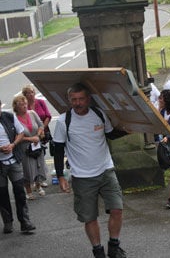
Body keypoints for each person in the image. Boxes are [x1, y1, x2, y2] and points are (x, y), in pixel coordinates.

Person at [53, 83, 127, 258]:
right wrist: (61, 177)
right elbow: (58, 150)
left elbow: (110, 134)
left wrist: (133, 129)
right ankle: (98, 251)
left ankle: (114, 246)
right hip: (82, 176)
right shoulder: (64, 121)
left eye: (81, 99)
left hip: (106, 170)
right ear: (69, 100)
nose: (77, 103)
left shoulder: (99, 114)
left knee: (117, 209)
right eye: (74, 100)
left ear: (88, 99)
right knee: (90, 217)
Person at [0, 99, 36, 234]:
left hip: (13, 160)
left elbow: (21, 133)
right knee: (2, 194)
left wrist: (13, 145)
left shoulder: (8, 116)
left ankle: (25, 222)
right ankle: (8, 222)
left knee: (19, 192)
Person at [13, 95, 48, 200]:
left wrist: (37, 136)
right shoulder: (14, 119)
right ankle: (28, 191)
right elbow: (15, 137)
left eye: (25, 103)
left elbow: (41, 125)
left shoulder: (32, 113)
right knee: (27, 169)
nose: (24, 106)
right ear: (16, 106)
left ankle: (38, 186)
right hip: (24, 148)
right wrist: (30, 139)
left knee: (38, 166)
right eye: (21, 104)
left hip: (36, 145)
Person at [22, 84, 52, 187]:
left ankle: (41, 178)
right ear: (24, 95)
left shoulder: (41, 102)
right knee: (33, 156)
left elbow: (48, 115)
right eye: (27, 93)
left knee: (41, 154)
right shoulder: (25, 106)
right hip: (31, 135)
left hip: (42, 133)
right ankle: (35, 179)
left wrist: (42, 128)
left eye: (32, 92)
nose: (30, 95)